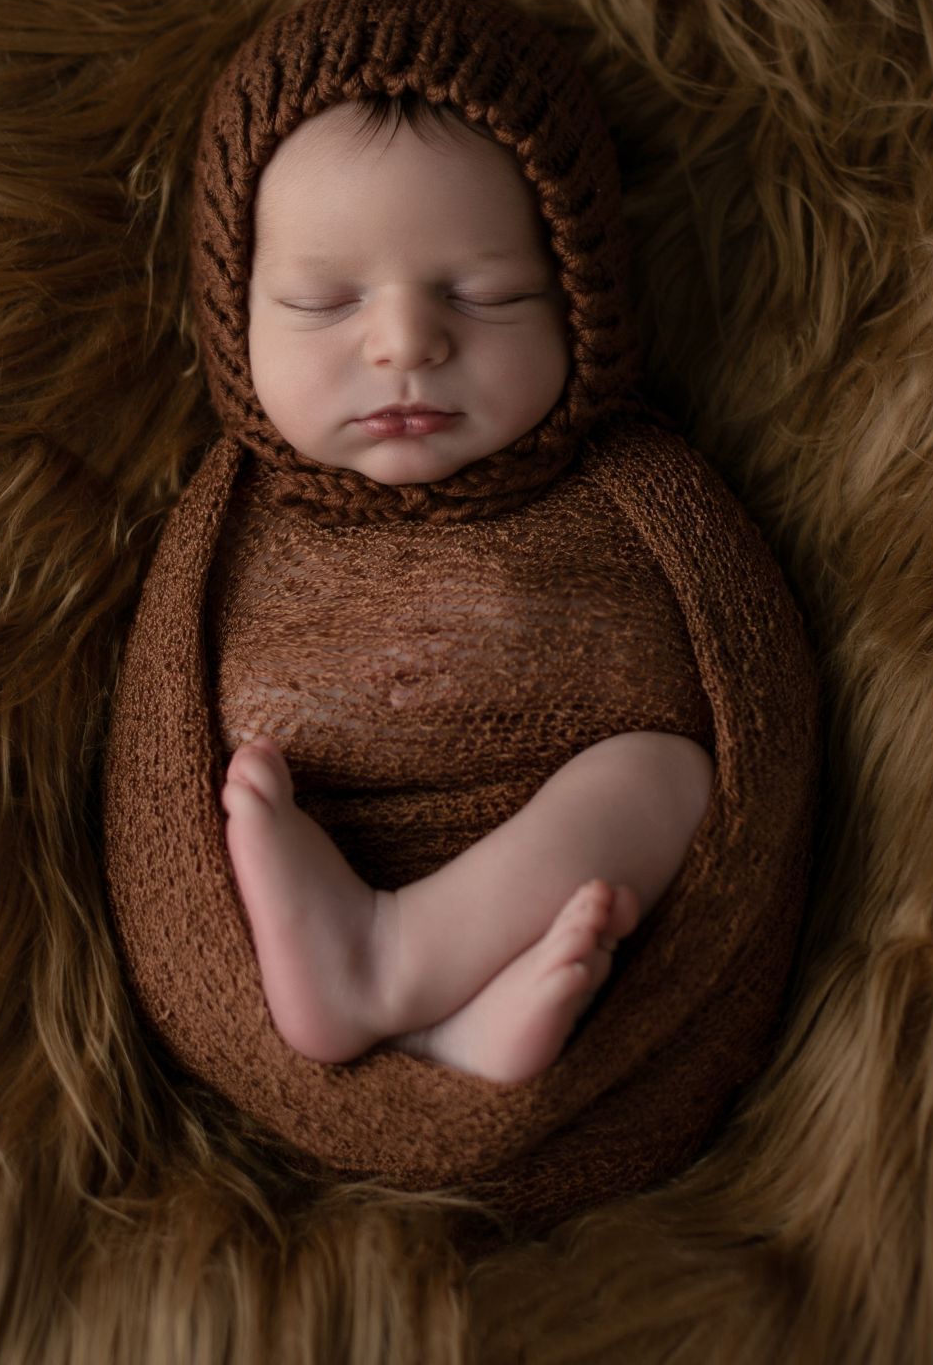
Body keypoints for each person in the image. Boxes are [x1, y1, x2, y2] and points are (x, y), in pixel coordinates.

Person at [215, 88, 714, 1085]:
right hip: (306, 883)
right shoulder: (226, 522)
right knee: (227, 800)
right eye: (324, 301)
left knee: (674, 777)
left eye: (485, 295)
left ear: (579, 298)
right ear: (234, 314)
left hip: (562, 907)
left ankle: (404, 970)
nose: (406, 344)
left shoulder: (632, 488)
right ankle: (415, 1011)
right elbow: (153, 760)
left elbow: (751, 679)